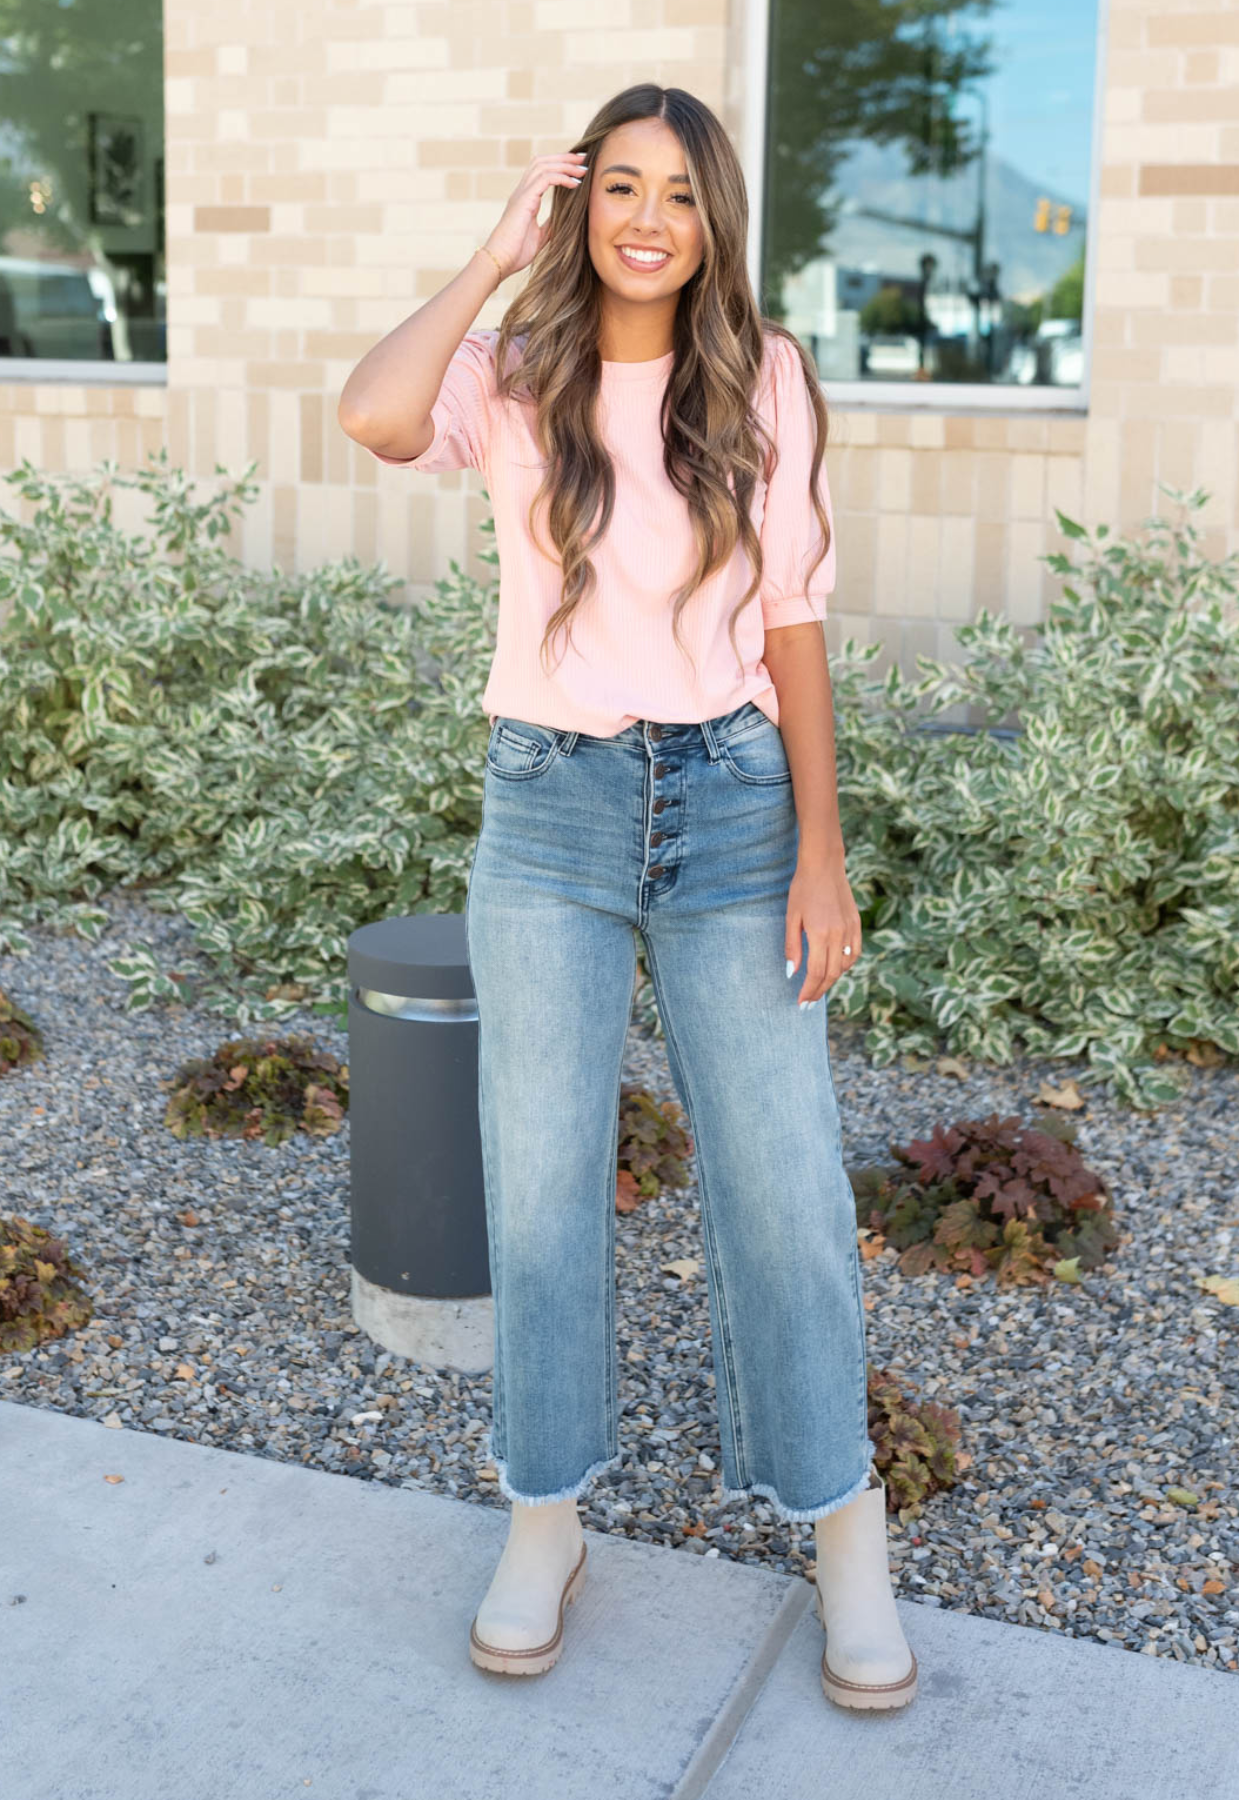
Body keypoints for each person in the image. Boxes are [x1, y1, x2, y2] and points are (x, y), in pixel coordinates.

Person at [338, 82, 917, 1714]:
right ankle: (545, 1520)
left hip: (733, 808)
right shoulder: (518, 371)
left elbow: (791, 617)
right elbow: (374, 415)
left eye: (678, 192)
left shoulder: (764, 375)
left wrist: (821, 845)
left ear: (711, 216)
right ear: (581, 204)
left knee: (786, 1185)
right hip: (548, 816)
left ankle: (842, 1526)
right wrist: (490, 249)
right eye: (618, 189)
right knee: (537, 1185)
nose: (648, 218)